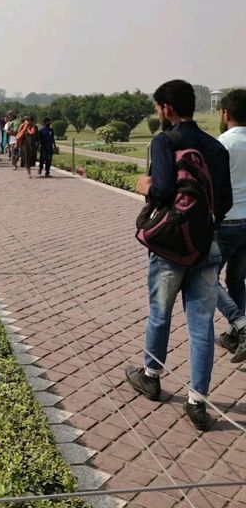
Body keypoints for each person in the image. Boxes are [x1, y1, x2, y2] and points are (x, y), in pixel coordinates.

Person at [125, 79, 232, 431]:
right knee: (201, 324)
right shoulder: (215, 148)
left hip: (171, 247)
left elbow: (164, 190)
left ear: (167, 108)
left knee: (160, 313)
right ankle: (197, 401)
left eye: (158, 108)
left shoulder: (164, 141)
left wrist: (145, 185)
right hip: (207, 245)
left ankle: (152, 375)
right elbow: (225, 202)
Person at [215, 89, 246, 363]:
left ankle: (241, 325)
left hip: (227, 222)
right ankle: (234, 334)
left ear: (225, 114)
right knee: (236, 279)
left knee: (203, 279)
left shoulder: (221, 144)